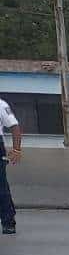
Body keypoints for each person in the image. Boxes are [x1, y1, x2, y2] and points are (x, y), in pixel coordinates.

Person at [0, 95, 21, 236]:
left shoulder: (1, 104)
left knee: (1, 187)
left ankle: (8, 222)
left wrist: (16, 149)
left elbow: (14, 126)